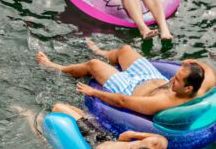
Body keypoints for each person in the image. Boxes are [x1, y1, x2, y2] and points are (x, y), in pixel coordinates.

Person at [36, 40, 215, 115]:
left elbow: (123, 101)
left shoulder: (164, 101)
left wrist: (94, 93)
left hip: (129, 88)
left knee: (93, 65)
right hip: (152, 77)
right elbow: (209, 71)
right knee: (125, 50)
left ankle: (56, 67)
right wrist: (191, 62)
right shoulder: (201, 84)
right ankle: (102, 51)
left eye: (177, 80)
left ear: (188, 89)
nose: (173, 80)